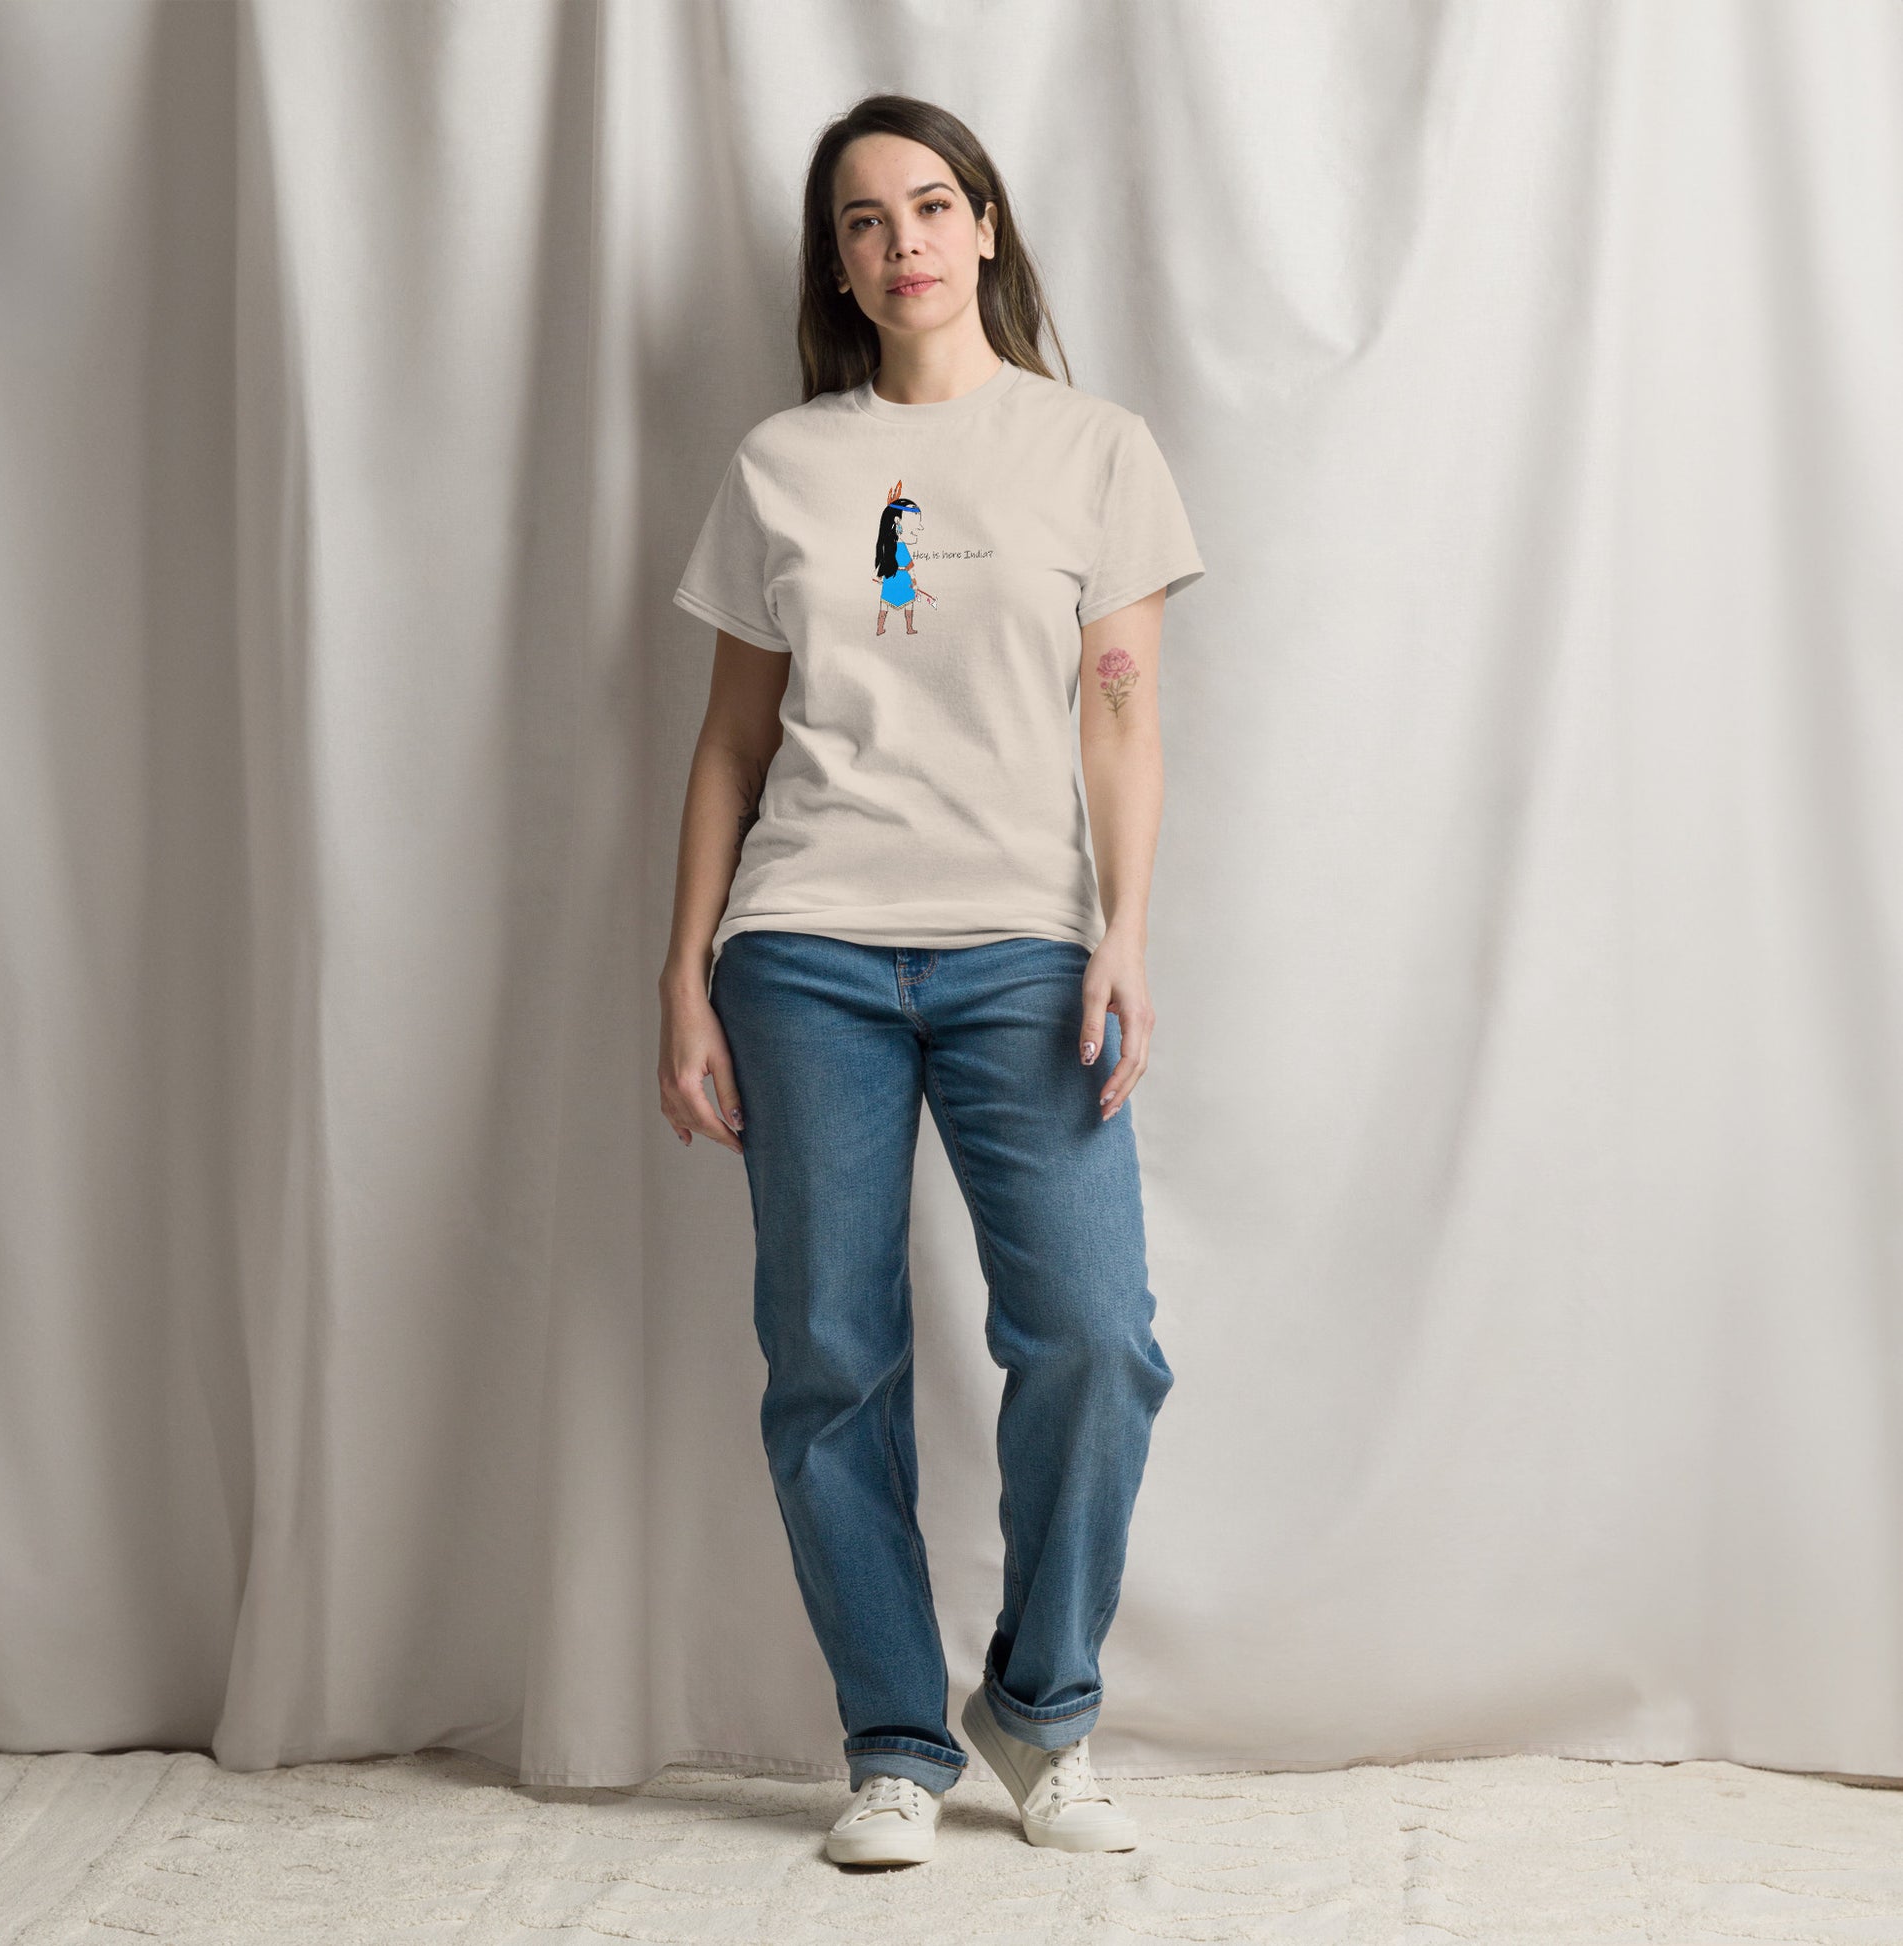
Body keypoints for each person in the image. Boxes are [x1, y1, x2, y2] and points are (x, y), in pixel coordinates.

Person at [657, 92, 1205, 1870]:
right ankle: (893, 1735)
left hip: (1022, 950)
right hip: (803, 946)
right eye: (863, 222)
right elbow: (733, 746)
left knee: (1095, 1344)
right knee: (827, 1352)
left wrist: (1123, 926)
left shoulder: (1093, 449)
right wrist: (685, 975)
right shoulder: (782, 463)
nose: (902, 243)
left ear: (985, 227)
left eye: (931, 206)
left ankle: (1035, 1708)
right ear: (839, 264)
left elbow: (1118, 709)